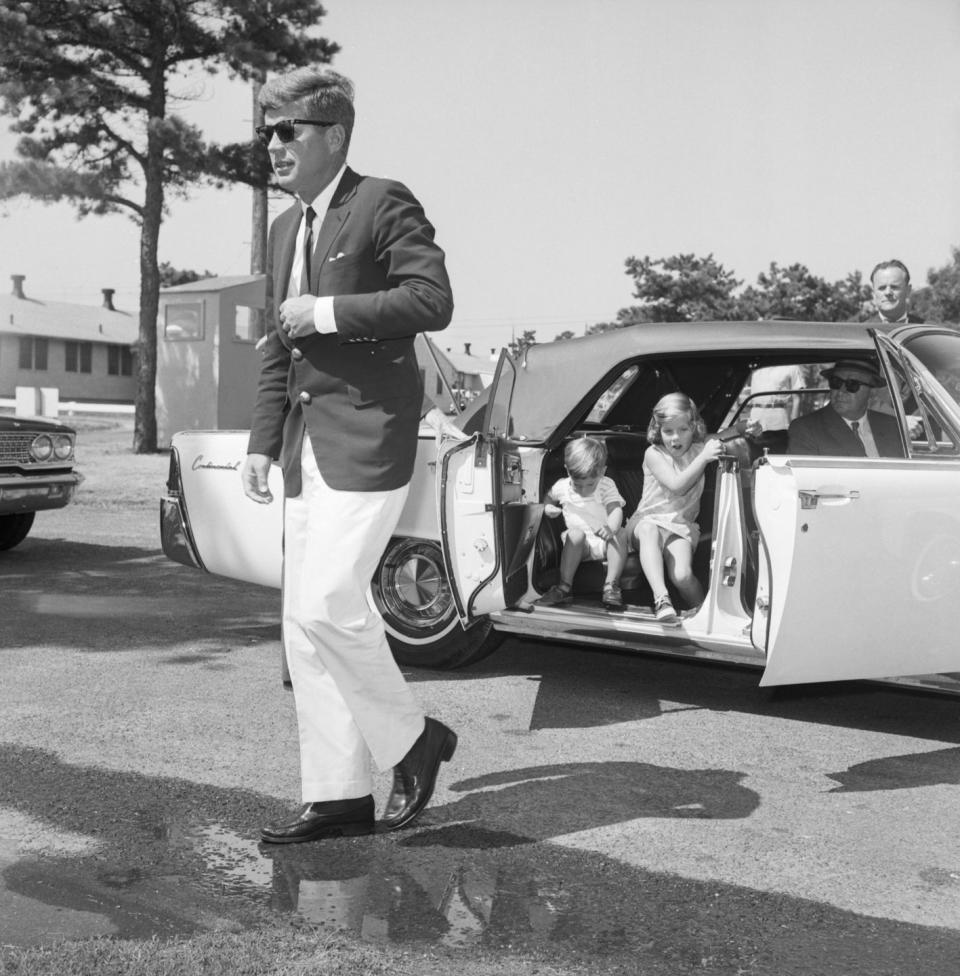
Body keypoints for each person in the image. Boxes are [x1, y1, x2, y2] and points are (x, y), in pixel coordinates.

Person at [241, 66, 457, 845]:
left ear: (333, 135)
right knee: (302, 627)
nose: (273, 145)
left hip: (369, 439)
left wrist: (325, 310)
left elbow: (431, 300)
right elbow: (279, 343)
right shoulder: (282, 228)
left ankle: (411, 740)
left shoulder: (382, 201)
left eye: (287, 131)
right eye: (266, 132)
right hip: (304, 450)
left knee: (331, 601)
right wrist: (263, 443)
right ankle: (335, 795)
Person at [625, 394, 724, 623]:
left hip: (680, 525)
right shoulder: (654, 454)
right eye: (668, 431)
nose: (675, 437)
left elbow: (718, 437)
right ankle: (662, 599)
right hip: (646, 521)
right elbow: (677, 486)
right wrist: (704, 458)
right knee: (650, 529)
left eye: (683, 430)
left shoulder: (698, 448)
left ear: (694, 427)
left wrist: (741, 428)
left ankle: (708, 617)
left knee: (683, 575)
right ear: (658, 431)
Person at [537, 436, 627, 610]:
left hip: (603, 541)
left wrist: (611, 528)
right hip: (580, 546)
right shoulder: (562, 486)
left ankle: (611, 586)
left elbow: (615, 509)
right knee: (575, 534)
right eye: (578, 485)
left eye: (590, 484)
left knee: (620, 533)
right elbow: (548, 498)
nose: (583, 490)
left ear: (602, 472)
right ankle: (564, 587)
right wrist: (547, 508)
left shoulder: (606, 485)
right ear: (567, 471)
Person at [787, 359, 904, 457]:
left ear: (872, 391)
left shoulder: (892, 426)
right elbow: (807, 481)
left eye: (852, 384)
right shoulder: (806, 429)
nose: (841, 391)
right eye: (836, 382)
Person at [864, 259, 925, 328]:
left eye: (894, 287)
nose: (888, 293)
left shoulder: (931, 331)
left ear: (908, 290)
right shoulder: (859, 333)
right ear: (873, 293)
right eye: (882, 288)